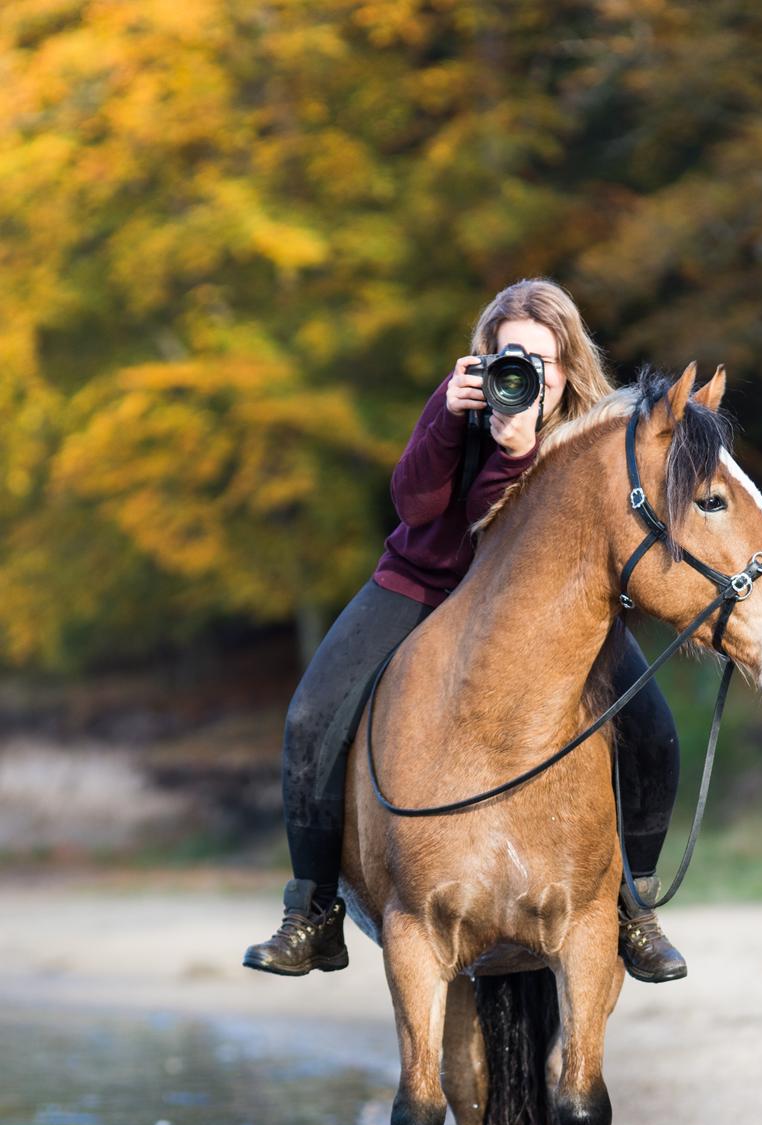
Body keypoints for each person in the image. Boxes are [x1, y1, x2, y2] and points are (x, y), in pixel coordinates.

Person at [243, 278, 687, 984]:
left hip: (540, 613)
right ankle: (314, 913)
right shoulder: (460, 405)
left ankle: (636, 908)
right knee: (310, 717)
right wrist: (449, 420)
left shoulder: (589, 440)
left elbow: (507, 535)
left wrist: (520, 449)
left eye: (539, 360)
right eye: (508, 355)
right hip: (420, 583)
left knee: (655, 730)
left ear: (565, 368)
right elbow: (416, 504)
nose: (522, 371)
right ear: (484, 357)